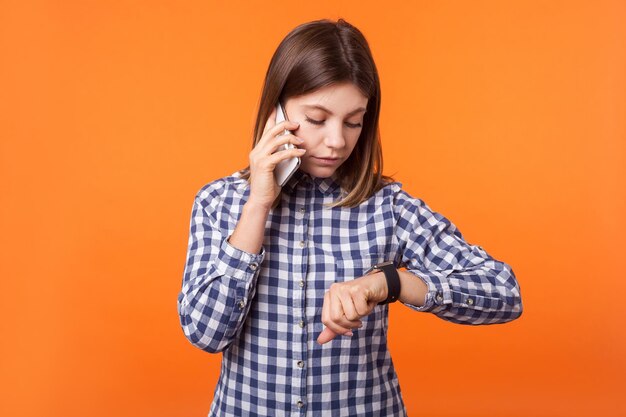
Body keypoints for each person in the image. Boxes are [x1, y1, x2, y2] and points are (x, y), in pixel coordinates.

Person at [177, 18, 523, 417]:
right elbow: (205, 333)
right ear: (276, 111)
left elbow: (504, 292)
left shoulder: (389, 207)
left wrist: (390, 282)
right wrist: (257, 205)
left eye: (353, 121)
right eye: (317, 119)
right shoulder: (217, 202)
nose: (337, 140)